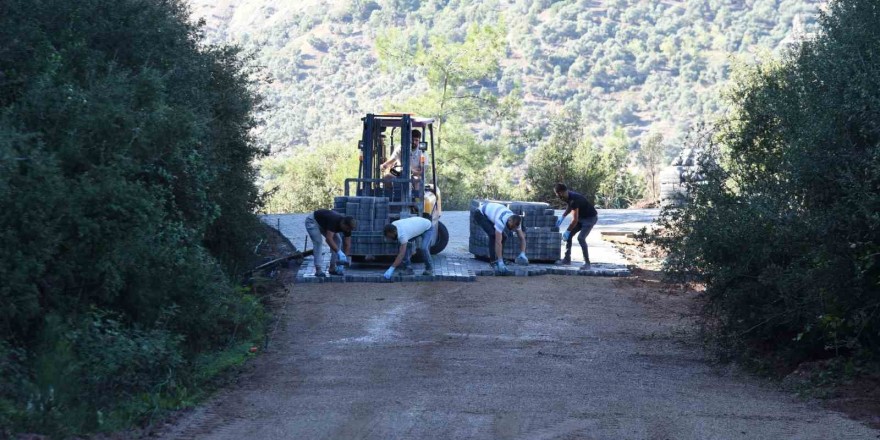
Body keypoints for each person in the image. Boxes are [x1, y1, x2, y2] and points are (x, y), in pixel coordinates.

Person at [473, 202, 528, 275]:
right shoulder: (501, 220)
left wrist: (523, 253)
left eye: (514, 228)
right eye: (511, 227)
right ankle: (494, 261)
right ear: (509, 221)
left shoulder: (516, 221)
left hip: (491, 214)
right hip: (480, 214)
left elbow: (522, 238)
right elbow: (498, 243)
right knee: (493, 235)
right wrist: (500, 262)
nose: (511, 229)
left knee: (504, 237)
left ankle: (500, 258)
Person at [554, 183, 598, 270]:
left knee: (581, 238)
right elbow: (570, 206)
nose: (558, 197)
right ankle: (567, 259)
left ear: (561, 192)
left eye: (558, 194)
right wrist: (563, 216)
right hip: (581, 217)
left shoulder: (574, 199)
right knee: (569, 236)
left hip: (590, 218)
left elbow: (574, 220)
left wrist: (567, 231)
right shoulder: (567, 196)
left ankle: (587, 263)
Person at [305, 209, 357, 277]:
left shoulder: (348, 227)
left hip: (324, 224)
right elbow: (328, 239)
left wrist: (344, 259)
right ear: (343, 223)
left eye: (349, 229)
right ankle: (318, 270)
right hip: (312, 221)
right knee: (318, 242)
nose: (347, 230)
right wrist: (339, 252)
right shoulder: (334, 220)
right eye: (347, 228)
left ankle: (332, 268)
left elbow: (347, 244)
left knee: (338, 241)